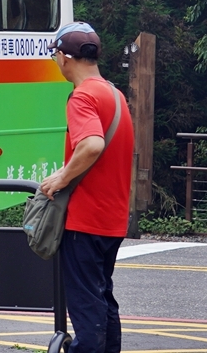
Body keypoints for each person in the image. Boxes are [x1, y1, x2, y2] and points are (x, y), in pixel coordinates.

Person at [39, 22, 134, 353]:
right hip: (113, 218)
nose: (55, 61)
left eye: (55, 55)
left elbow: (92, 145)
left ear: (65, 58)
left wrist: (61, 177)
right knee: (103, 299)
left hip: (85, 219)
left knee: (86, 306)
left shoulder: (82, 97)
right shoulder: (115, 95)